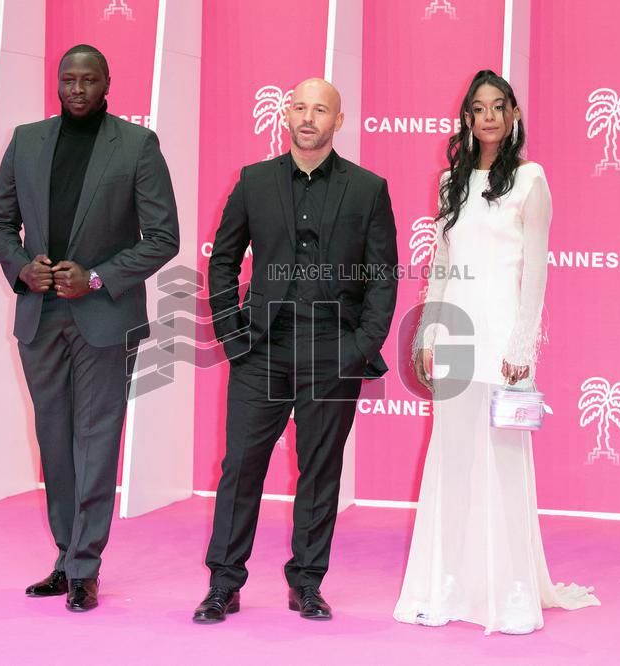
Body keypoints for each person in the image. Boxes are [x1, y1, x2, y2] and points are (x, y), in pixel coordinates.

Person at [394, 70, 599, 634]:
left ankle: (507, 594)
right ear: (467, 118)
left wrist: (522, 345)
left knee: (504, 461)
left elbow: (535, 270)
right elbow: (441, 268)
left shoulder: (531, 181)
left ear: (512, 115)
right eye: (478, 108)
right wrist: (428, 334)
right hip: (457, 336)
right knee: (452, 458)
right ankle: (446, 587)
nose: (487, 116)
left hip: (503, 337)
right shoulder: (449, 185)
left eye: (498, 106)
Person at [194, 78, 398, 623]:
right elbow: (222, 259)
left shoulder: (368, 189)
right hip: (261, 350)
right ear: (287, 115)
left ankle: (307, 583)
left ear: (339, 120)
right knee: (239, 468)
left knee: (320, 472)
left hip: (334, 352)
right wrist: (230, 334)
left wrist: (360, 347)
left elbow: (382, 278)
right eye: (301, 107)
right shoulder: (254, 182)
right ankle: (224, 584)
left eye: (321, 109)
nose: (309, 118)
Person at [0, 44, 179, 612]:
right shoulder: (26, 140)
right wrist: (23, 267)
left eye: (88, 79)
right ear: (58, 83)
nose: (76, 88)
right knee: (54, 442)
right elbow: (0, 223)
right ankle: (65, 555)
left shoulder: (138, 145)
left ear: (107, 83)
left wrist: (94, 279)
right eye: (68, 79)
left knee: (95, 441)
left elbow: (163, 237)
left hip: (103, 317)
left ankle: (85, 566)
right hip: (40, 318)